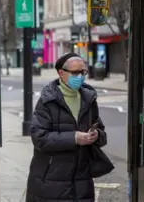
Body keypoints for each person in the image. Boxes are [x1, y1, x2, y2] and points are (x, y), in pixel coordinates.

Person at [26, 53, 107, 202]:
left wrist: (96, 134)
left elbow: (101, 132)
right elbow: (39, 139)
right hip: (51, 181)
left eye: (83, 72)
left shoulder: (88, 99)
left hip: (82, 181)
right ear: (61, 73)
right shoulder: (47, 100)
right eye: (75, 72)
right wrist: (74, 138)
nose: (80, 76)